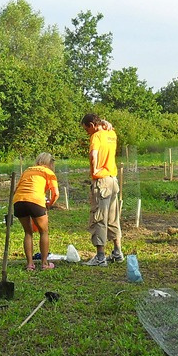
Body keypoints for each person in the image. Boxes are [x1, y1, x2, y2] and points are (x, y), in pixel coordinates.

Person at [82, 113, 122, 266]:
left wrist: (96, 167)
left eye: (87, 129)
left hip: (102, 182)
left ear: (92, 125)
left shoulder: (96, 136)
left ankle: (100, 257)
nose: (87, 133)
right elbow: (108, 127)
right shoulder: (111, 133)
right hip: (113, 180)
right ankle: (117, 252)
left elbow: (94, 154)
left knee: (99, 217)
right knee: (113, 217)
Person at [12, 153, 60, 271]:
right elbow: (56, 193)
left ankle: (30, 264)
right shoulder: (48, 172)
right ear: (50, 163)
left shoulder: (28, 170)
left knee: (28, 232)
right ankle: (44, 264)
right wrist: (49, 204)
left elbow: (15, 189)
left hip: (19, 201)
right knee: (44, 231)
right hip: (35, 201)